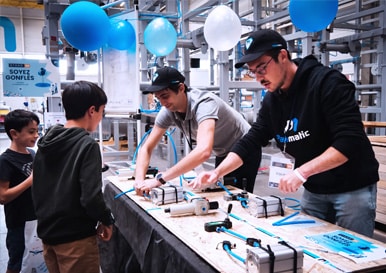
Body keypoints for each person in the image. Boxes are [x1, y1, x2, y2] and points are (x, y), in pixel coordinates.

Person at [191, 29, 379, 237]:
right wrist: (218, 173)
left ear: (282, 56)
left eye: (261, 68)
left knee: (354, 254)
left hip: (352, 187)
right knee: (309, 245)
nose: (258, 78)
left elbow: (348, 142)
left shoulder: (327, 83)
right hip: (315, 187)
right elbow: (252, 139)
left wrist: (301, 173)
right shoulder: (273, 99)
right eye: (253, 71)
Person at [134, 66, 261, 194]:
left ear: (181, 88)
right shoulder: (167, 110)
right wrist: (140, 181)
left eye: (165, 96)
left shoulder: (204, 104)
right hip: (222, 152)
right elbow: (146, 148)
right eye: (158, 98)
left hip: (245, 148)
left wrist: (160, 180)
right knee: (219, 191)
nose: (162, 103)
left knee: (237, 195)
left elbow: (204, 151)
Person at [32, 81, 115, 273]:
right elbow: (90, 197)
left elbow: (39, 187)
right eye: (102, 111)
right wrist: (106, 219)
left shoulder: (46, 141)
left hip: (48, 235)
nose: (101, 117)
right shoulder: (87, 145)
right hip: (75, 240)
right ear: (92, 110)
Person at [0, 109, 40, 273]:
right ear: (14, 134)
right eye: (31, 131)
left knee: (33, 260)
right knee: (17, 262)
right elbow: (3, 196)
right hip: (19, 223)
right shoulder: (5, 160)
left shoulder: (32, 154)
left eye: (37, 130)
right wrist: (30, 181)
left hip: (35, 218)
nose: (36, 135)